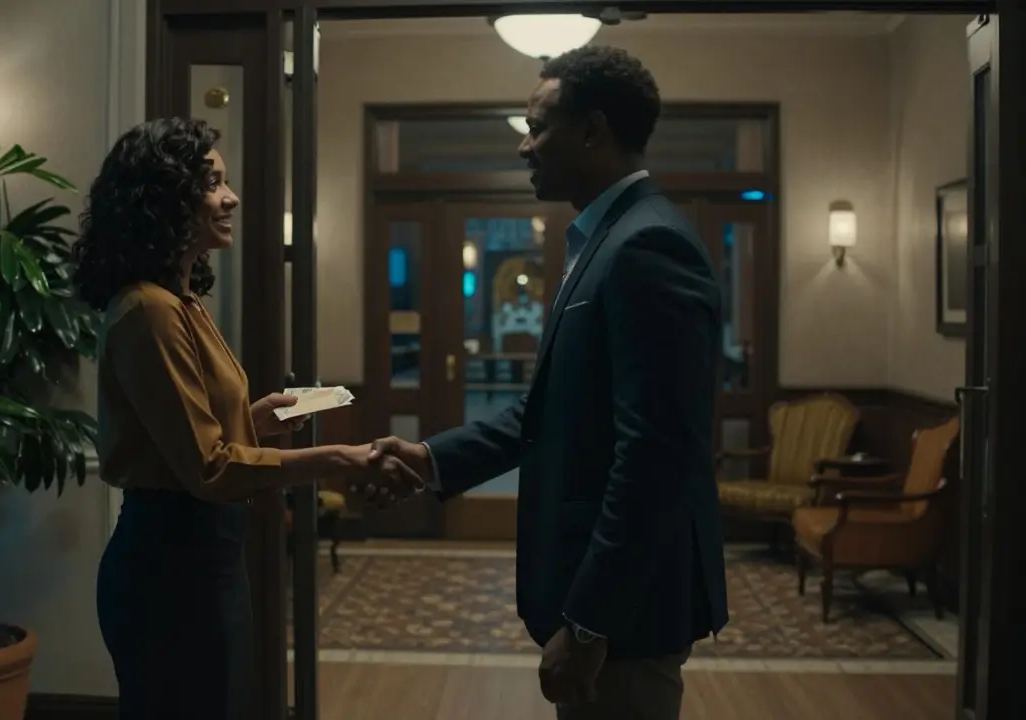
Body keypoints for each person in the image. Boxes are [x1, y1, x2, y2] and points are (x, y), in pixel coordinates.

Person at [368, 47, 729, 720]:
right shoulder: (604, 240)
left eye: (536, 126)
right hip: (606, 603)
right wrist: (430, 458)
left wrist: (591, 624)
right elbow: (551, 413)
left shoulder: (647, 247)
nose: (524, 145)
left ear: (592, 130)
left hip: (627, 615)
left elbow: (653, 457)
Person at [73, 117, 421, 720]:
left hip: (205, 557)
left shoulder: (180, 301)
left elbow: (188, 439)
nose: (229, 198)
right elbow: (208, 468)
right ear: (163, 197)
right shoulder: (149, 311)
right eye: (211, 184)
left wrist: (253, 419)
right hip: (171, 565)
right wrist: (335, 459)